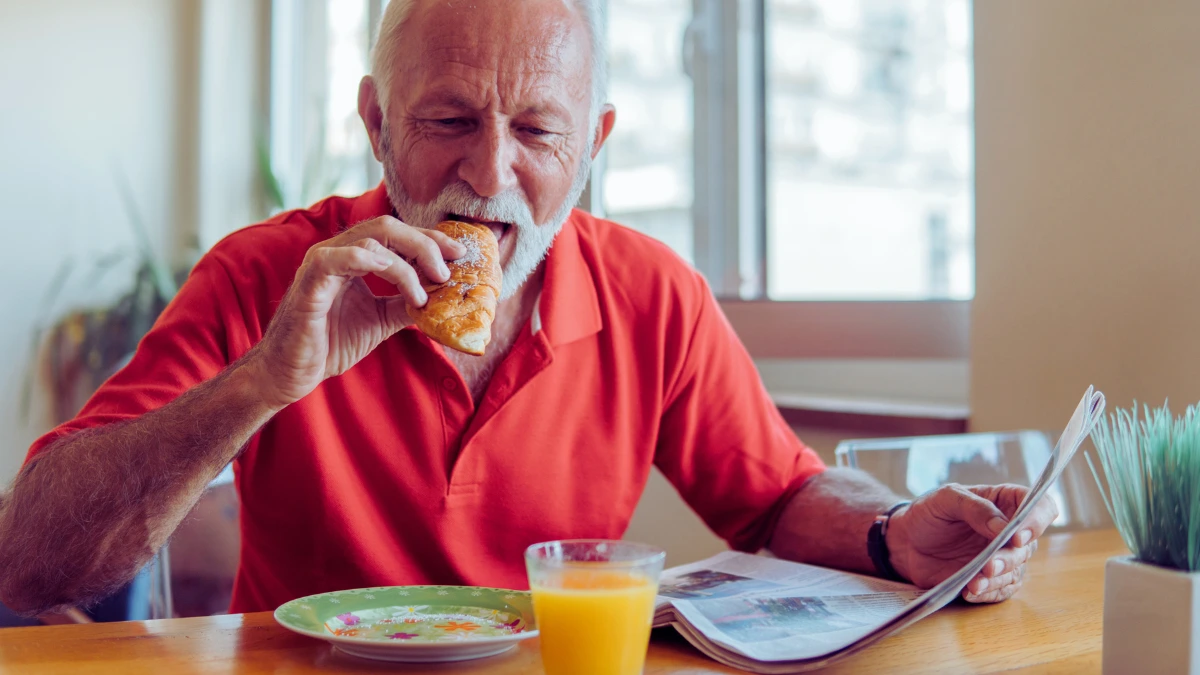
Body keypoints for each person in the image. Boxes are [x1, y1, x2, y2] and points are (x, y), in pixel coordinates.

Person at [0, 0, 1054, 617]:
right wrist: (265, 382)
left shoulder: (653, 292)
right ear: (376, 123)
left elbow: (776, 498)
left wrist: (892, 537)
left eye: (539, 134)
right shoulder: (269, 271)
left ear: (595, 145)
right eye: (449, 117)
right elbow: (30, 562)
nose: (489, 172)